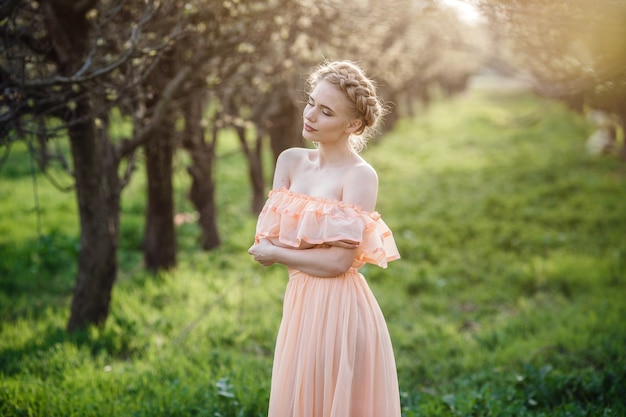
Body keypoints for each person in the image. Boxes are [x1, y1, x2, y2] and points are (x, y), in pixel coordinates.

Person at [248, 60, 401, 417]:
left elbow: (338, 262)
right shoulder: (290, 161)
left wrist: (277, 253)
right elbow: (268, 237)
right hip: (300, 303)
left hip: (339, 310)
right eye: (311, 102)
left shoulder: (360, 176)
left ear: (353, 124)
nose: (311, 115)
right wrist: (275, 249)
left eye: (326, 111)